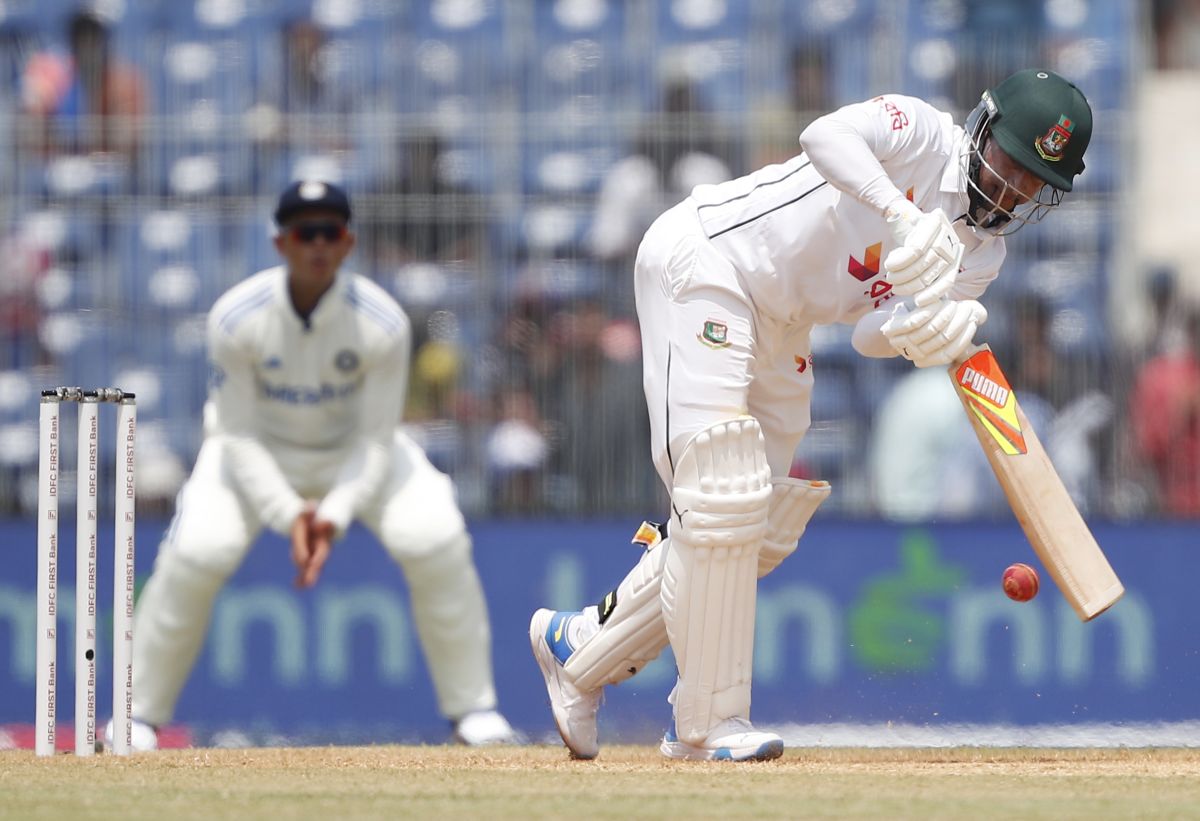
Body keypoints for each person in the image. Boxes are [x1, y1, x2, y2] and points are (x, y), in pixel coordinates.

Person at [529, 68, 1092, 761]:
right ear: (982, 129)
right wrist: (900, 212)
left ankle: (579, 649)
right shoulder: (918, 134)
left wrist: (926, 329)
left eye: (1034, 182)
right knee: (719, 494)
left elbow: (867, 335)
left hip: (783, 325)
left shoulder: (984, 253)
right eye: (1010, 163)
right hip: (710, 262)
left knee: (759, 524)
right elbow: (821, 134)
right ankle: (710, 726)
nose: (1013, 189)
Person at [106, 181, 518, 750]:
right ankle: (139, 717)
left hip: (356, 457)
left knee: (435, 536)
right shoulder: (236, 317)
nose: (318, 245)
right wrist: (289, 512)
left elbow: (377, 442)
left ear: (348, 242)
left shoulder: (383, 322)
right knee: (199, 551)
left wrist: (332, 514)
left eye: (330, 232)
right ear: (281, 242)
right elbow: (237, 433)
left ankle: (474, 711)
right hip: (252, 456)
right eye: (305, 232)